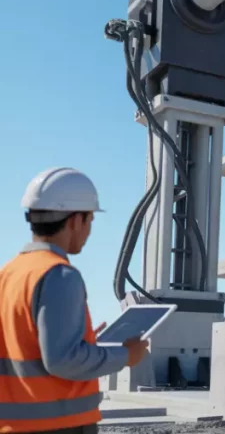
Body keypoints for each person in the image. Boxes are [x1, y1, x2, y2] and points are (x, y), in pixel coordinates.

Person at [0, 168, 150, 434]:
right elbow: (62, 360)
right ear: (75, 220)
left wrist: (86, 341)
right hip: (59, 425)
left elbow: (25, 346)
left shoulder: (9, 273)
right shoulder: (59, 274)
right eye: (90, 220)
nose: (89, 230)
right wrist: (126, 355)